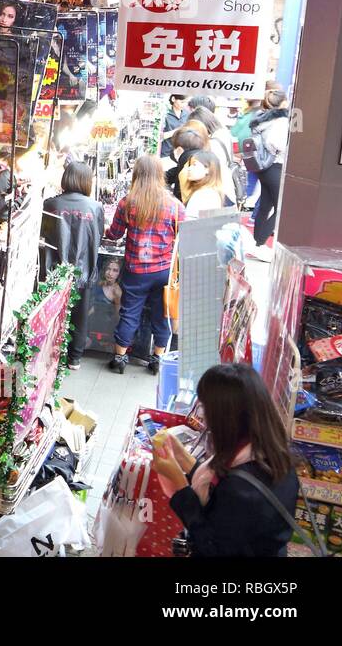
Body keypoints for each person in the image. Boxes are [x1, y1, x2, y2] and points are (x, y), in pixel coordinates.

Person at [152, 363, 298, 557]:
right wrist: (181, 456)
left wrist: (179, 483)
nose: (202, 414)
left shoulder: (241, 490)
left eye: (205, 407)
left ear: (225, 416)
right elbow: (217, 491)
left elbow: (210, 544)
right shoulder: (269, 453)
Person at [105, 154, 185, 375]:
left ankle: (120, 357)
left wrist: (106, 231)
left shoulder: (128, 203)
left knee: (130, 313)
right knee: (161, 315)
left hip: (136, 271)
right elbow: (184, 237)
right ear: (160, 175)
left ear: (136, 175)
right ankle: (157, 358)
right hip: (164, 271)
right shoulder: (175, 206)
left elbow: (115, 233)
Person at [40, 160, 103, 369]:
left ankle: (48, 353)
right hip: (83, 270)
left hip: (53, 268)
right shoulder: (95, 207)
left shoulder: (50, 204)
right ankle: (74, 358)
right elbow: (98, 237)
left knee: (51, 311)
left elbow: (44, 235)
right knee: (79, 313)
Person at [249, 88, 290, 245]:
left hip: (263, 167)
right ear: (283, 103)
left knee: (265, 205)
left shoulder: (261, 119)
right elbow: (276, 143)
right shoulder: (281, 121)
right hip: (275, 165)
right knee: (283, 208)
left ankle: (257, 243)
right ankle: (260, 240)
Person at [181, 150, 229, 219]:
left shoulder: (204, 194)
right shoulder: (211, 192)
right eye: (190, 165)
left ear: (208, 169)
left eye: (194, 165)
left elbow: (191, 224)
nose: (189, 168)